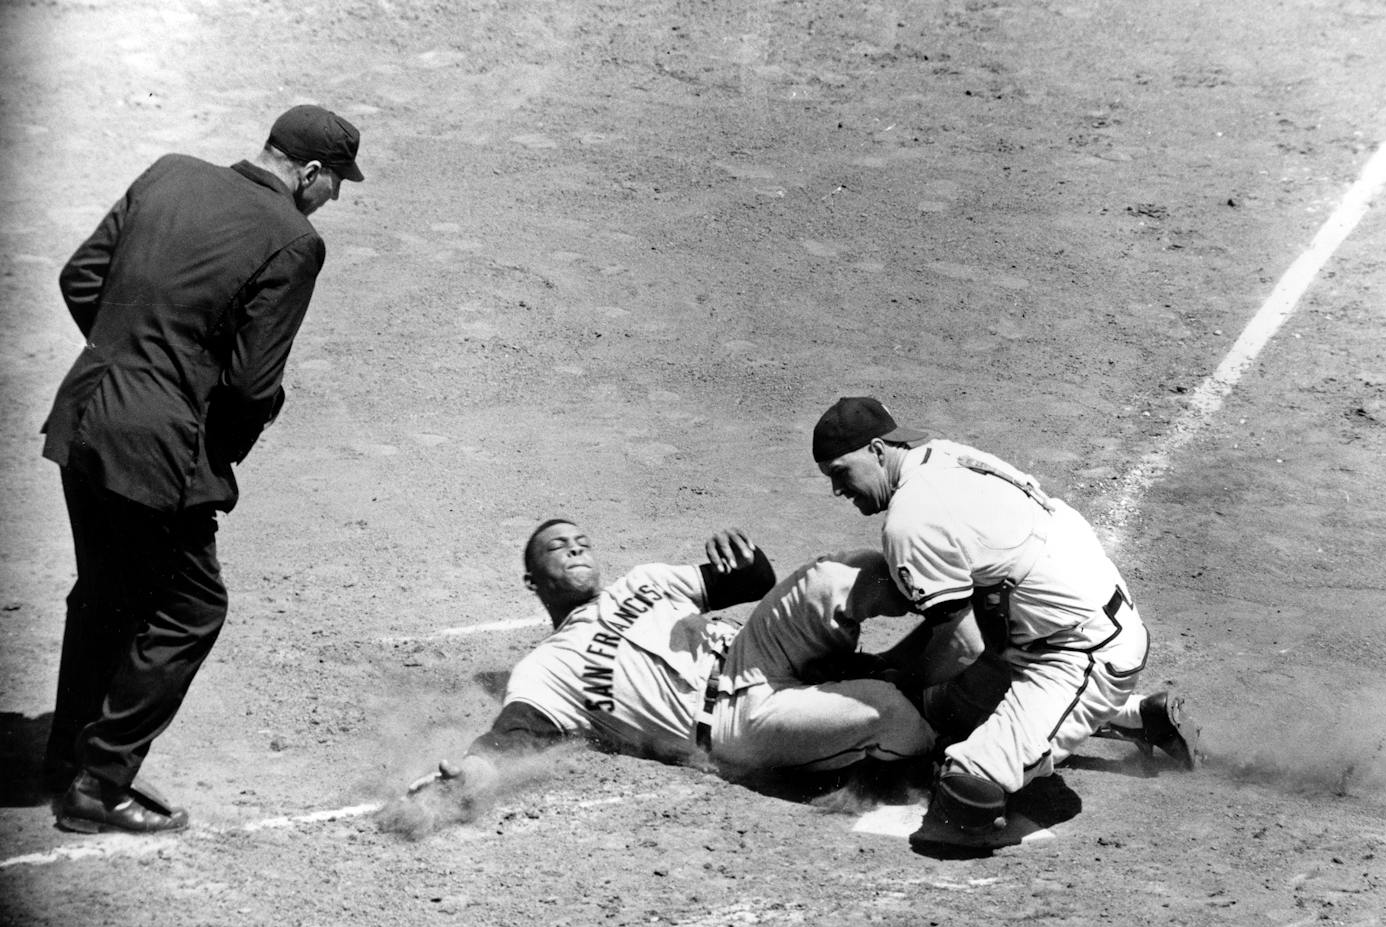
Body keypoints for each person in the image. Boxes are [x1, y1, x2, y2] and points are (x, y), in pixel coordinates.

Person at [40, 105, 365, 833]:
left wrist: (132, 356)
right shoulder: (295, 241)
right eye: (337, 182)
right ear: (310, 173)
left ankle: (66, 758)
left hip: (85, 415)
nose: (334, 198)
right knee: (190, 608)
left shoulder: (169, 173)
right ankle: (99, 781)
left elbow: (79, 276)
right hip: (157, 448)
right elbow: (253, 384)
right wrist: (196, 409)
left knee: (106, 592)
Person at [811, 396, 1196, 852]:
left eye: (840, 472)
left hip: (1080, 654)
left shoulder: (911, 520)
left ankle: (1092, 709)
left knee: (965, 792)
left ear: (877, 450)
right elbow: (961, 620)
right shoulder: (942, 456)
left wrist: (892, 683)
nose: (839, 490)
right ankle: (1138, 716)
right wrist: (890, 664)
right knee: (938, 710)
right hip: (1046, 628)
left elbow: (961, 646)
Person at [426, 519, 935, 790]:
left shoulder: (642, 581)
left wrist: (741, 555)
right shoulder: (547, 668)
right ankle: (957, 754)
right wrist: (478, 770)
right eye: (558, 547)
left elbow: (754, 581)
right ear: (531, 579)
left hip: (752, 653)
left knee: (838, 574)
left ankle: (952, 600)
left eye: (582, 541)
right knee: (887, 707)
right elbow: (515, 733)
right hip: (734, 722)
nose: (576, 549)